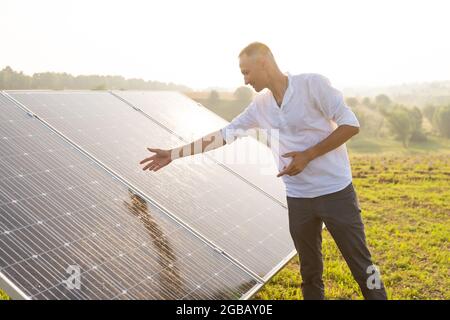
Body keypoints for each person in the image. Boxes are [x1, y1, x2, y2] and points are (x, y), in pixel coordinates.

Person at [139, 42, 387, 300]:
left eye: (246, 72)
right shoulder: (261, 105)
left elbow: (351, 125)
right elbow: (224, 135)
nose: (245, 80)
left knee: (362, 264)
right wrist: (175, 153)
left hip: (336, 193)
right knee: (310, 273)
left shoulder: (313, 85)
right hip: (299, 198)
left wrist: (308, 155)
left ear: (264, 63)